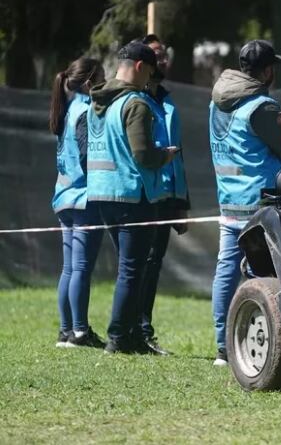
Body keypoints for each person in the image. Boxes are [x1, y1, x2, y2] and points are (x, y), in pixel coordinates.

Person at [87, 41, 177, 354]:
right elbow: (143, 155)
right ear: (140, 67)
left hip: (101, 193)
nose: (150, 81)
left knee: (129, 267)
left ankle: (130, 336)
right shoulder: (135, 103)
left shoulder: (97, 101)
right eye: (150, 74)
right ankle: (120, 338)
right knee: (132, 269)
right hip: (132, 194)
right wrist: (165, 156)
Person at [208, 39, 281, 366]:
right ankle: (271, 335)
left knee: (226, 270)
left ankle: (223, 346)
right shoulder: (261, 107)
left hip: (230, 200)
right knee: (268, 272)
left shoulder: (217, 102)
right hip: (262, 202)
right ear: (267, 71)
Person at [136, 34, 191, 356]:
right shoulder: (135, 100)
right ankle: (133, 330)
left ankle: (142, 329)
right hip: (142, 194)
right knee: (138, 264)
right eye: (158, 55)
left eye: (166, 55)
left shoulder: (166, 98)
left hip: (167, 195)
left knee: (153, 263)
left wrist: (181, 203)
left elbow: (178, 156)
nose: (165, 61)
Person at [50, 57, 107, 348]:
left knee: (70, 268)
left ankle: (65, 330)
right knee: (81, 268)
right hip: (84, 199)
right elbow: (87, 156)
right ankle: (80, 332)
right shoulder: (85, 111)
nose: (106, 79)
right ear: (89, 82)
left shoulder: (67, 109)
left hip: (64, 197)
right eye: (102, 75)